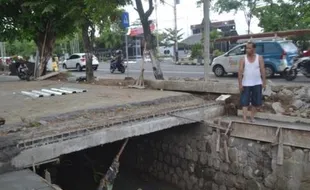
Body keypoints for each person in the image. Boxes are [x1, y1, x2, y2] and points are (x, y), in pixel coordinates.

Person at [238, 42, 266, 122]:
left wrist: (264, 82)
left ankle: (252, 117)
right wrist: (240, 84)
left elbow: (263, 70)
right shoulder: (243, 59)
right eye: (246, 48)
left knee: (256, 102)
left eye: (249, 48)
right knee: (244, 101)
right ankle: (244, 118)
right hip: (246, 83)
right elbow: (240, 72)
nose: (247, 50)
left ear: (253, 49)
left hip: (257, 83)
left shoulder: (259, 58)